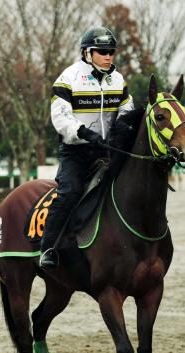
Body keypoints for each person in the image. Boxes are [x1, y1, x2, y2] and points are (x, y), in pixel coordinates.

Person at [40, 26, 134, 268]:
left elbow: (126, 108)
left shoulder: (118, 79)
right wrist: (84, 133)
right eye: (102, 51)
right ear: (86, 53)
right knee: (69, 192)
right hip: (76, 152)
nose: (108, 56)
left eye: (111, 51)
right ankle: (48, 248)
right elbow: (60, 117)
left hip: (108, 151)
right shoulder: (68, 78)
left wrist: (123, 124)